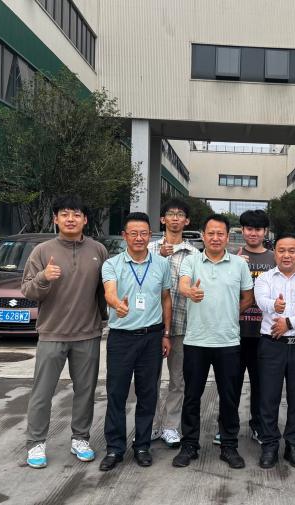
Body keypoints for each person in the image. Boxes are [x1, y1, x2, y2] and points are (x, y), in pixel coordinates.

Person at [20, 195, 109, 469]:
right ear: (55, 219)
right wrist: (43, 277)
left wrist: (106, 317)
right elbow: (27, 290)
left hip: (87, 333)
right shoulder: (42, 251)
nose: (71, 219)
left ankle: (80, 438)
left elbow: (105, 290)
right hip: (52, 333)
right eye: (65, 214)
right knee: (42, 392)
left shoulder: (98, 250)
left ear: (85, 219)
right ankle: (36, 443)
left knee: (85, 391)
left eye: (76, 214)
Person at [172, 214, 254, 469]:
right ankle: (189, 445)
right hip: (196, 341)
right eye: (211, 233)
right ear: (203, 236)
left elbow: (248, 297)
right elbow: (183, 286)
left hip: (228, 342)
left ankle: (229, 446)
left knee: (229, 397)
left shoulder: (239, 264)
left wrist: (230, 312)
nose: (215, 238)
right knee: (191, 396)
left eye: (220, 234)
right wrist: (190, 291)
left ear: (228, 237)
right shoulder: (191, 261)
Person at [99, 212, 174, 471]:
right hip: (121, 338)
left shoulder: (162, 264)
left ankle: (142, 445)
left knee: (148, 393)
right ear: (124, 236)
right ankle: (115, 448)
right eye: (133, 233)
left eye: (144, 233)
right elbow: (109, 291)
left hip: (152, 338)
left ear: (150, 235)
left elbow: (166, 298)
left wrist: (166, 334)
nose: (139, 238)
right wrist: (116, 304)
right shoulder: (112, 264)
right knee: (116, 393)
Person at [254, 234, 295, 469]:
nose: (286, 255)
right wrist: (275, 305)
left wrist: (289, 323)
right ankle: (269, 444)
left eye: (292, 251)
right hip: (272, 345)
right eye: (281, 250)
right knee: (268, 397)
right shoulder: (265, 278)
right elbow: (261, 301)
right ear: (275, 253)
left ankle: (294, 445)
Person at [148, 199, 199, 449]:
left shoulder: (194, 254)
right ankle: (151, 425)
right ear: (162, 219)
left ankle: (170, 426)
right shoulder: (149, 248)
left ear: (187, 221)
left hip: (182, 325)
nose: (175, 218)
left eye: (180, 214)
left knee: (178, 380)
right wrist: (157, 257)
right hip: (150, 325)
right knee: (151, 379)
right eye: (171, 214)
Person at [228, 209, 275, 445]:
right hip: (235, 332)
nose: (253, 233)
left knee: (261, 384)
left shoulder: (275, 258)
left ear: (265, 231)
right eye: (249, 228)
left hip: (264, 333)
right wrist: (234, 265)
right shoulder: (231, 257)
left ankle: (258, 425)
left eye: (258, 229)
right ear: (242, 230)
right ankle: (227, 427)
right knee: (231, 384)